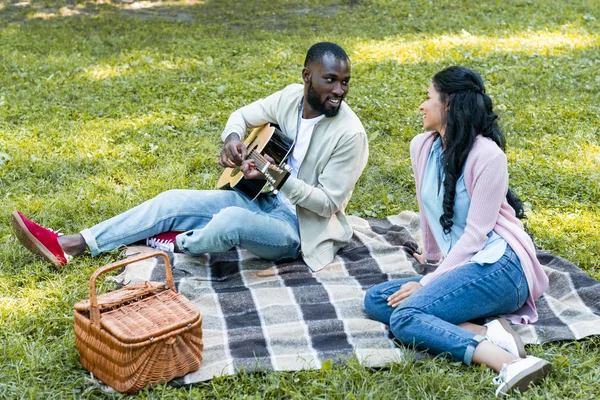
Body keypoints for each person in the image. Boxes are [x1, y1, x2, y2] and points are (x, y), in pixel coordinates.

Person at [12, 42, 369, 272]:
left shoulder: (350, 134)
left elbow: (326, 204)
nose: (339, 91)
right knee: (172, 199)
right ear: (307, 76)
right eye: (330, 80)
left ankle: (176, 242)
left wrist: (278, 178)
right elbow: (242, 117)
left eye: (345, 82)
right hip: (259, 198)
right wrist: (232, 140)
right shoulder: (291, 97)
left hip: (298, 229)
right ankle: (70, 244)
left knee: (230, 221)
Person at [363, 66, 550, 397]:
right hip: (467, 265)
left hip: (503, 268)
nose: (422, 105)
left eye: (428, 97)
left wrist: (425, 282)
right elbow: (428, 209)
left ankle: (508, 362)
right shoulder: (422, 146)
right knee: (377, 299)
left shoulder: (488, 155)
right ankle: (488, 331)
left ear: (448, 104)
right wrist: (432, 259)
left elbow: (476, 238)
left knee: (406, 316)